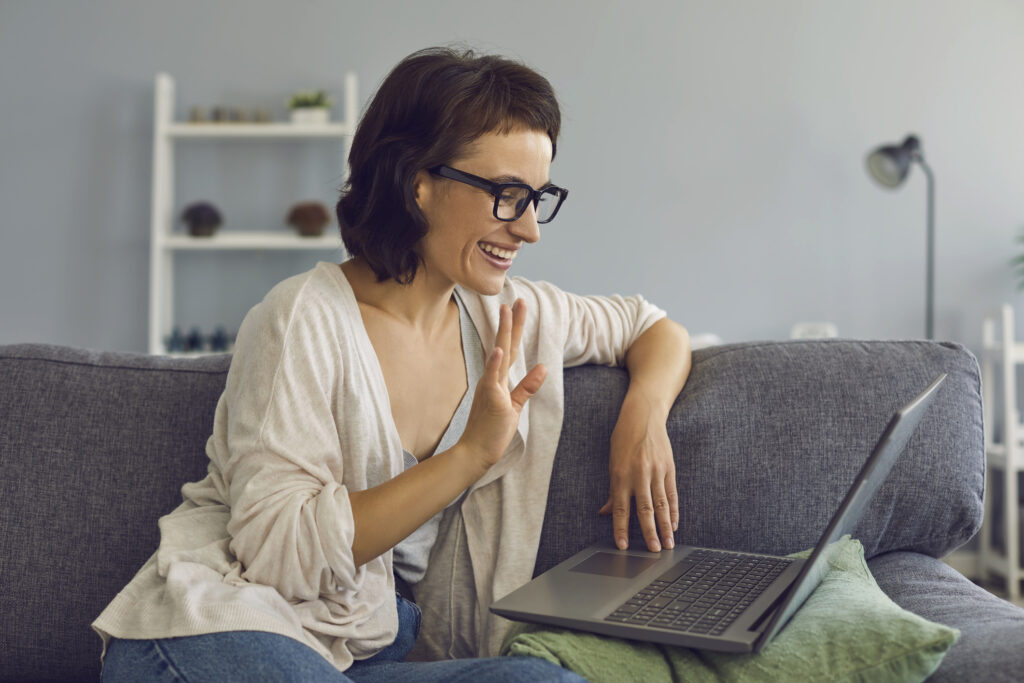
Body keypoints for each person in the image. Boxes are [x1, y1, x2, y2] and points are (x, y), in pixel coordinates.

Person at [93, 46, 691, 682]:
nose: (529, 230)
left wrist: (643, 419)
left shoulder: (515, 317)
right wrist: (468, 456)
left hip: (363, 655)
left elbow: (651, 327)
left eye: (538, 198)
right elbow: (277, 554)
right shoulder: (301, 317)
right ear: (418, 183)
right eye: (507, 195)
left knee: (543, 681)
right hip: (222, 629)